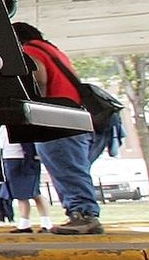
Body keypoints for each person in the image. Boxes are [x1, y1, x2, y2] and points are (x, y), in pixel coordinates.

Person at [15, 21, 104, 235]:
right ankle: (80, 214)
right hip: (74, 117)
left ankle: (84, 215)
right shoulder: (52, 50)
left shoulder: (30, 51)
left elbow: (39, 78)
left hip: (58, 121)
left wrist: (36, 109)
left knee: (67, 168)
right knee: (72, 168)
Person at [1, 126, 51, 232]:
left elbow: (30, 145)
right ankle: (24, 224)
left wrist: (31, 159)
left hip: (24, 159)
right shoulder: (2, 126)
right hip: (9, 159)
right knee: (20, 194)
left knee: (34, 192)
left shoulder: (22, 125)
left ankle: (46, 223)